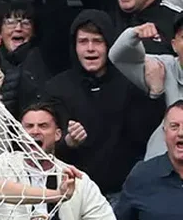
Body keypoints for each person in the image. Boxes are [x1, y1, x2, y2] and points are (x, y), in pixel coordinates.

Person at [43, 10, 163, 196]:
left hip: (123, 194)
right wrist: (68, 142)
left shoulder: (129, 83)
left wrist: (155, 94)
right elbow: (43, 147)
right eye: (83, 42)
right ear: (74, 46)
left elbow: (146, 135)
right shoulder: (56, 88)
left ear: (109, 45)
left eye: (97, 41)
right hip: (75, 194)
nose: (90, 48)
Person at [109, 17, 183, 159]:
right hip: (162, 167)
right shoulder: (163, 67)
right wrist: (134, 35)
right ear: (174, 45)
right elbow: (118, 57)